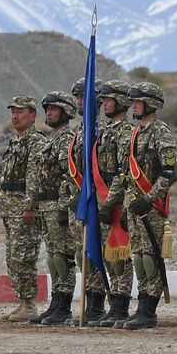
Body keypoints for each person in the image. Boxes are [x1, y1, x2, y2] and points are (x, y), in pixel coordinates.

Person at [108, 82, 177, 330]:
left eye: (138, 102)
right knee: (138, 256)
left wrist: (148, 198)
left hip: (152, 207)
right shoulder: (136, 133)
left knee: (150, 258)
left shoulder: (161, 133)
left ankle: (149, 310)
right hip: (134, 205)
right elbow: (127, 173)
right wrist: (128, 205)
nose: (133, 106)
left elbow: (171, 172)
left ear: (152, 104)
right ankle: (141, 307)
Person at [91, 80, 137, 327]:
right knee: (110, 255)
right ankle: (113, 303)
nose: (104, 104)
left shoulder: (126, 132)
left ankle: (121, 304)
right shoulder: (106, 131)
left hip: (117, 199)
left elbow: (123, 172)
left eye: (109, 99)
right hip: (103, 197)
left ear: (121, 102)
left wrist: (110, 202)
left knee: (121, 255)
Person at [0, 96, 46, 322]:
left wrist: (30, 206)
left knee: (24, 256)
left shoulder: (35, 142)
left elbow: (34, 178)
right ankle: (23, 301)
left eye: (20, 112)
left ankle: (29, 304)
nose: (14, 116)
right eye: (12, 112)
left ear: (33, 115)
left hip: (23, 209)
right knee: (13, 256)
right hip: (11, 207)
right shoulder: (16, 141)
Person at [32, 91, 78, 326]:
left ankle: (64, 305)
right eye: (47, 109)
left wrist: (63, 208)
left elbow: (70, 177)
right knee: (53, 257)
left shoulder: (66, 139)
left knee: (63, 257)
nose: (48, 113)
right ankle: (56, 303)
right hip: (46, 205)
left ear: (66, 112)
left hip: (58, 207)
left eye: (54, 109)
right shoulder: (53, 139)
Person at [66, 78, 108, 325]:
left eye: (84, 97)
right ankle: (89, 304)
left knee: (95, 253)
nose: (79, 102)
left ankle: (96, 306)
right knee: (83, 254)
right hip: (78, 202)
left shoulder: (98, 129)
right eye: (78, 97)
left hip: (98, 202)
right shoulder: (80, 130)